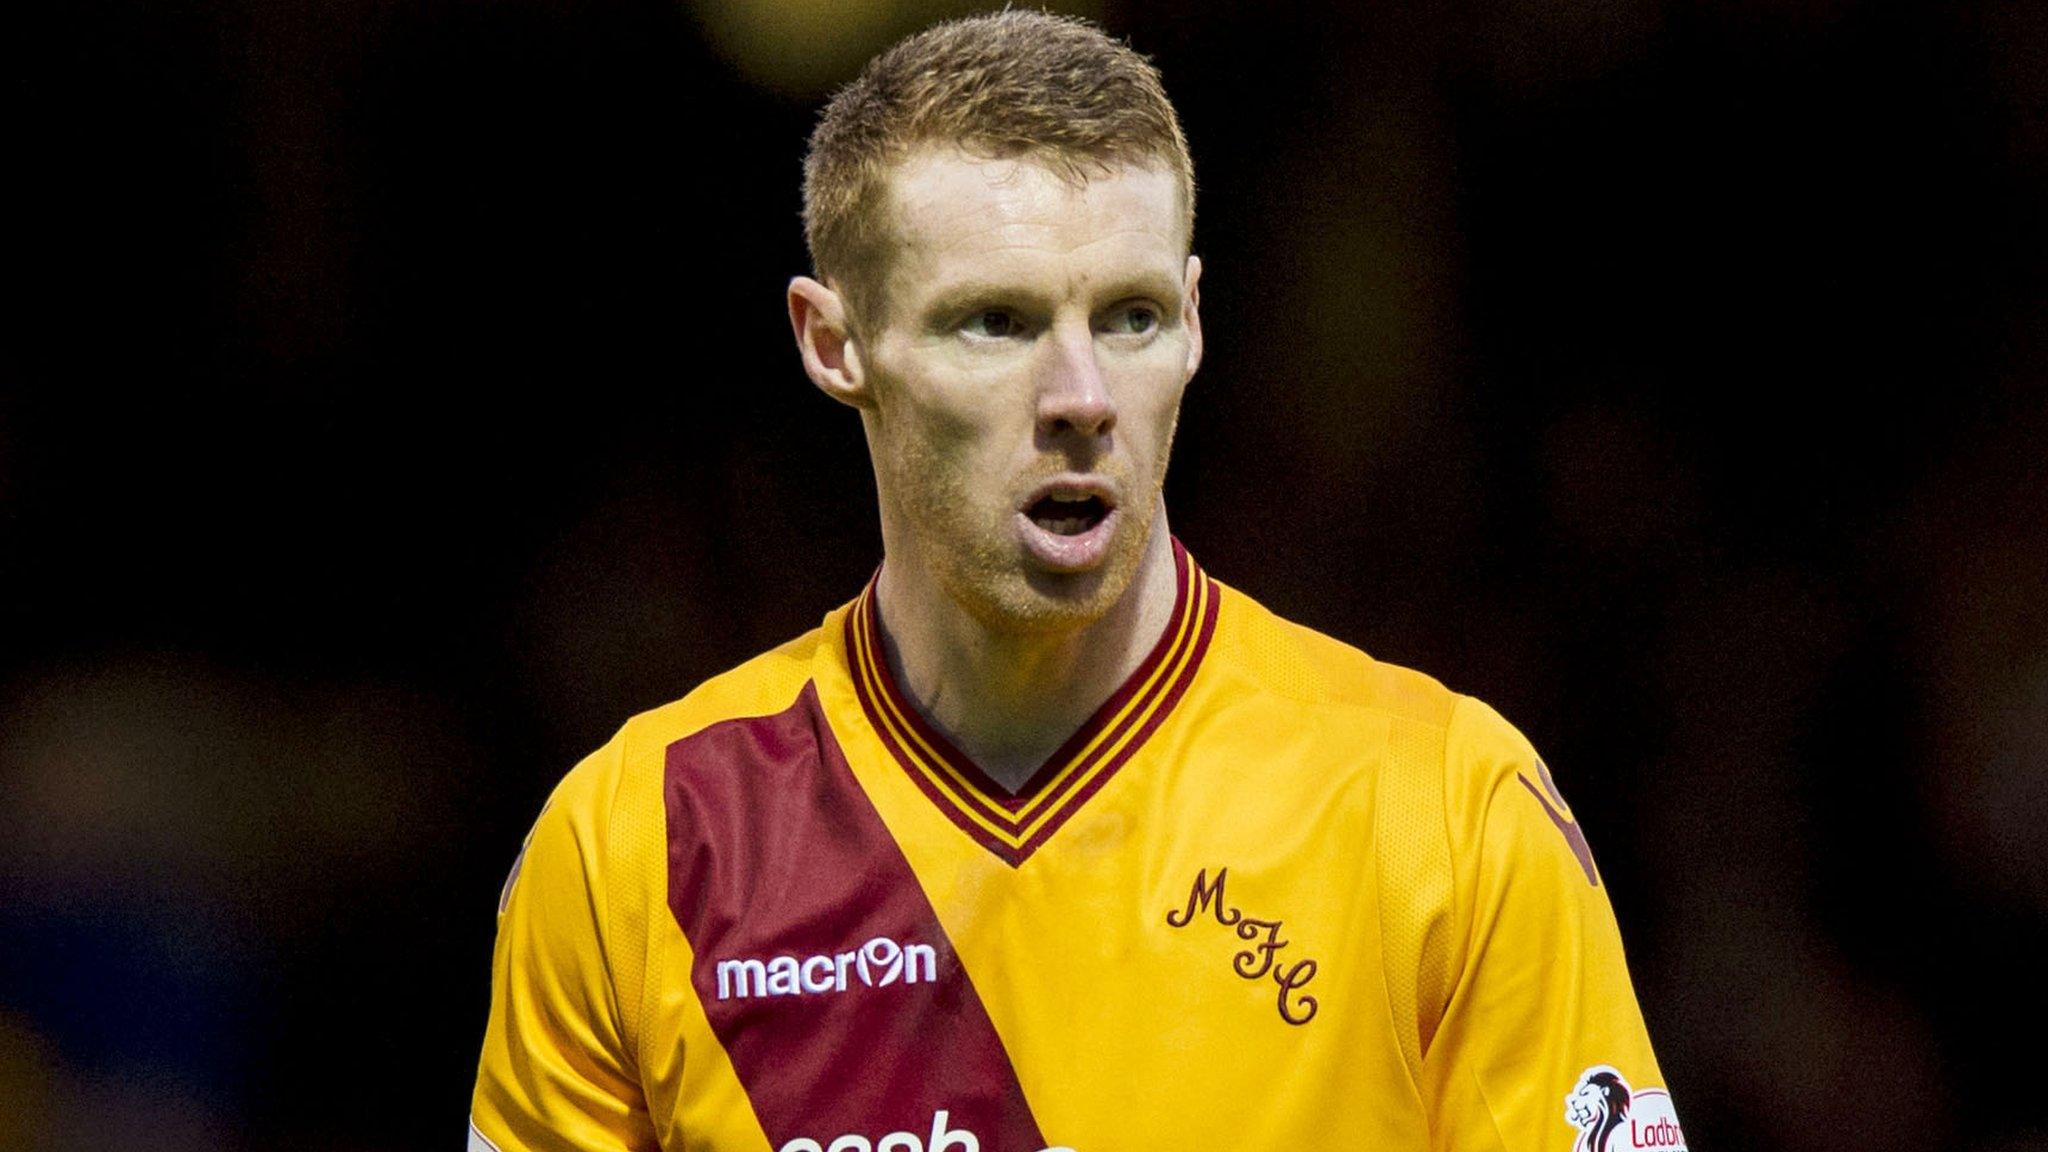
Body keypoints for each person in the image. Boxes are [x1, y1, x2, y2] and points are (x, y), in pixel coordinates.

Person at [469, 12, 1683, 1152]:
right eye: (993, 323)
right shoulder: (638, 848)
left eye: (1132, 317)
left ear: (1197, 323)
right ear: (834, 344)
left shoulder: (1447, 814)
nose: (1082, 397)